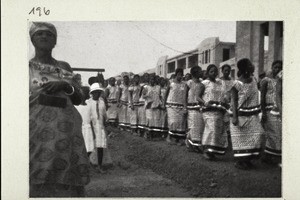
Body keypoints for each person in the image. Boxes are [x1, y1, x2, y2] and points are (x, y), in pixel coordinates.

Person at [29, 22, 89, 197]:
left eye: (49, 34)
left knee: (66, 176)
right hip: (36, 132)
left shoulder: (63, 67)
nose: (44, 37)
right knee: (37, 172)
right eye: (39, 33)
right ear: (32, 39)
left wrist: (65, 85)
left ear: (55, 41)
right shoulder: (26, 67)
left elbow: (79, 98)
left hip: (66, 132)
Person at [230, 58, 265, 170]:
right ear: (245, 68)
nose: (252, 66)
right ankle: (241, 161)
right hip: (240, 115)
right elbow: (234, 101)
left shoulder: (254, 80)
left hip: (253, 114)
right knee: (241, 139)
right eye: (250, 65)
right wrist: (235, 117)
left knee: (258, 134)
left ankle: (248, 159)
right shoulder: (236, 83)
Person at [199, 64, 228, 160]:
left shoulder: (219, 83)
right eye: (211, 71)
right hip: (208, 110)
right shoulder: (204, 83)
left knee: (216, 130)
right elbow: (197, 97)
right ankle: (206, 151)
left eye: (215, 71)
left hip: (218, 110)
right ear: (207, 73)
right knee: (210, 129)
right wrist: (205, 103)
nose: (214, 73)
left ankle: (212, 152)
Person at [260, 60, 283, 165]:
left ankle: (270, 155)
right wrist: (263, 112)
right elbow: (262, 97)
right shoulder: (266, 80)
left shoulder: (282, 80)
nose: (277, 69)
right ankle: (270, 155)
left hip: (279, 109)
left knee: (278, 133)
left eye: (279, 67)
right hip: (269, 110)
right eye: (275, 67)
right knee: (272, 133)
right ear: (272, 68)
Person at [87, 83, 108, 173]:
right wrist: (92, 130)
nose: (97, 94)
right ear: (92, 93)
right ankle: (85, 164)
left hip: (100, 127)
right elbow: (88, 117)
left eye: (99, 92)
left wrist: (105, 126)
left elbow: (104, 114)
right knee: (89, 147)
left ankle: (99, 165)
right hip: (91, 126)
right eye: (95, 92)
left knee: (100, 146)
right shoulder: (88, 102)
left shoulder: (101, 102)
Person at [165, 68, 188, 145]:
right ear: (176, 74)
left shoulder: (184, 84)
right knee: (173, 122)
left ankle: (179, 138)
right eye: (179, 74)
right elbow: (166, 94)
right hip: (171, 106)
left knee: (180, 123)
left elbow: (185, 96)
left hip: (180, 106)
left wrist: (185, 106)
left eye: (181, 75)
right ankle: (169, 137)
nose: (180, 76)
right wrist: (164, 103)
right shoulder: (171, 83)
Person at [186, 66, 205, 153]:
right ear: (195, 73)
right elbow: (184, 95)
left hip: (199, 107)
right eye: (200, 71)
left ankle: (195, 144)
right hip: (191, 107)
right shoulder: (189, 82)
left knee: (199, 127)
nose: (201, 72)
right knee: (193, 126)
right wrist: (184, 106)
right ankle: (192, 144)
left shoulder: (202, 83)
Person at [143, 74, 162, 140]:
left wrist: (160, 103)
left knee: (156, 119)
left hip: (156, 105)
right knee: (150, 119)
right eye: (151, 79)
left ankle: (154, 134)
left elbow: (160, 96)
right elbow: (143, 96)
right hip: (149, 105)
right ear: (149, 80)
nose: (152, 81)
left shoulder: (158, 87)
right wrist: (148, 95)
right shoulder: (146, 87)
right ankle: (148, 134)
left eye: (153, 79)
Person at [220, 64, 235, 149]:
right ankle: (222, 141)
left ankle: (228, 141)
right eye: (225, 70)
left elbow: (233, 92)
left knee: (229, 122)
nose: (227, 72)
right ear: (222, 71)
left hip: (230, 104)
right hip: (221, 104)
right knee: (222, 122)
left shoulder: (232, 81)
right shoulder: (218, 81)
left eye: (228, 70)